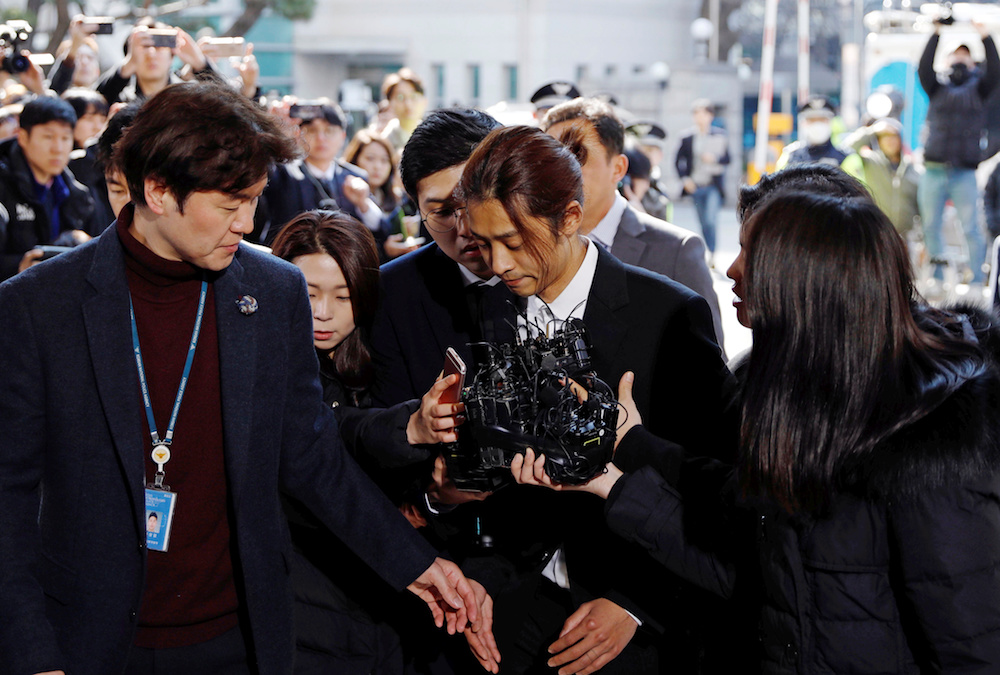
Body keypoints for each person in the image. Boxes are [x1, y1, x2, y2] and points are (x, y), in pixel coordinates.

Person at [0, 80, 489, 675]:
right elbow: (9, 500)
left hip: (237, 637)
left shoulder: (272, 290)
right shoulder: (38, 306)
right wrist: (33, 655)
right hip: (88, 643)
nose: (248, 222)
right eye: (230, 204)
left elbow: (311, 460)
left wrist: (417, 565)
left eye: (254, 200)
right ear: (157, 190)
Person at [514, 189, 1000, 673]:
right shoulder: (799, 399)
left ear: (808, 284)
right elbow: (752, 569)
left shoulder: (933, 446)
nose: (732, 268)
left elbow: (969, 647)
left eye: (752, 252)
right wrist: (620, 468)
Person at [460, 124, 740, 674]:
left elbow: (716, 487)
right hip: (509, 607)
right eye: (483, 243)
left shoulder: (667, 315)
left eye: (513, 243)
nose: (496, 264)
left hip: (630, 619)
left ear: (569, 217)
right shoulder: (483, 310)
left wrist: (637, 606)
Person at [270, 210, 498, 674]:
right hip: (309, 609)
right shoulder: (266, 371)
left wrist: (435, 498)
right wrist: (411, 427)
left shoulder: (384, 360)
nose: (323, 312)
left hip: (394, 610)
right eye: (306, 293)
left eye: (343, 295)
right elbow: (335, 436)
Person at [540, 97, 727, 356]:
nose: (559, 172)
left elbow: (713, 371)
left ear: (618, 168)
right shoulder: (530, 250)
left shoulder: (676, 251)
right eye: (549, 159)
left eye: (576, 156)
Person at [917, 19, 999, 286]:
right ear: (948, 59)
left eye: (966, 53)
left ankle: (976, 280)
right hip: (934, 169)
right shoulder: (936, 87)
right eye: (956, 53)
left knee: (971, 228)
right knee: (930, 225)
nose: (961, 57)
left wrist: (985, 36)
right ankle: (938, 277)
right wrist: (937, 31)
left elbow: (995, 71)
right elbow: (923, 68)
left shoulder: (981, 89)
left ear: (973, 61)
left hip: (964, 170)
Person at [0, 95, 101, 280]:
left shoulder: (77, 193)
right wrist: (18, 266)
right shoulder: (4, 185)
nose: (58, 148)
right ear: (22, 137)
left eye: (65, 138)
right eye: (48, 137)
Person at [258, 102, 383, 245]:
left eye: (329, 131)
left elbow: (380, 229)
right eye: (312, 130)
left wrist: (363, 204)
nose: (321, 138)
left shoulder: (355, 177)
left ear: (342, 136)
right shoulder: (282, 172)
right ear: (298, 134)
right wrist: (272, 130)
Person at [343, 128, 424, 260]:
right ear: (354, 160)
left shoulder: (399, 199)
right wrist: (384, 251)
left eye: (384, 160)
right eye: (370, 159)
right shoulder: (344, 198)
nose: (377, 166)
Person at [96, 18, 215, 104]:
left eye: (159, 46)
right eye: (144, 46)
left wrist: (201, 64)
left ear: (172, 55)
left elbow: (228, 108)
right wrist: (127, 66)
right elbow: (94, 102)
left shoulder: (190, 98)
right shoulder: (121, 101)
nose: (151, 53)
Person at [842, 116, 922, 236]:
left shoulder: (913, 169)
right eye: (884, 136)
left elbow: (922, 209)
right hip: (876, 234)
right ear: (878, 141)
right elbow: (845, 149)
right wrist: (872, 130)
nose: (890, 140)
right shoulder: (871, 161)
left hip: (906, 238)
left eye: (893, 136)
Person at [675, 99, 729, 266]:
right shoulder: (687, 137)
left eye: (704, 113)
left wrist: (715, 158)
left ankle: (712, 252)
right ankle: (707, 249)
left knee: (711, 219)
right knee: (702, 221)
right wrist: (685, 179)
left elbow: (728, 158)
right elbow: (678, 160)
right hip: (695, 185)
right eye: (697, 114)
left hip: (712, 185)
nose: (701, 117)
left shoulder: (720, 135)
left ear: (711, 116)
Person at [776, 95, 863, 178]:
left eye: (822, 120)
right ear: (803, 123)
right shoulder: (790, 156)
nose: (817, 125)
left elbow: (857, 191)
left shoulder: (845, 158)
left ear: (831, 122)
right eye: (812, 120)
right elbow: (777, 189)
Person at [380, 68, 427, 152]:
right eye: (400, 97)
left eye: (414, 96)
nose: (408, 104)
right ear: (390, 103)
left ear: (424, 101)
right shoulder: (384, 144)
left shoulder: (432, 137)